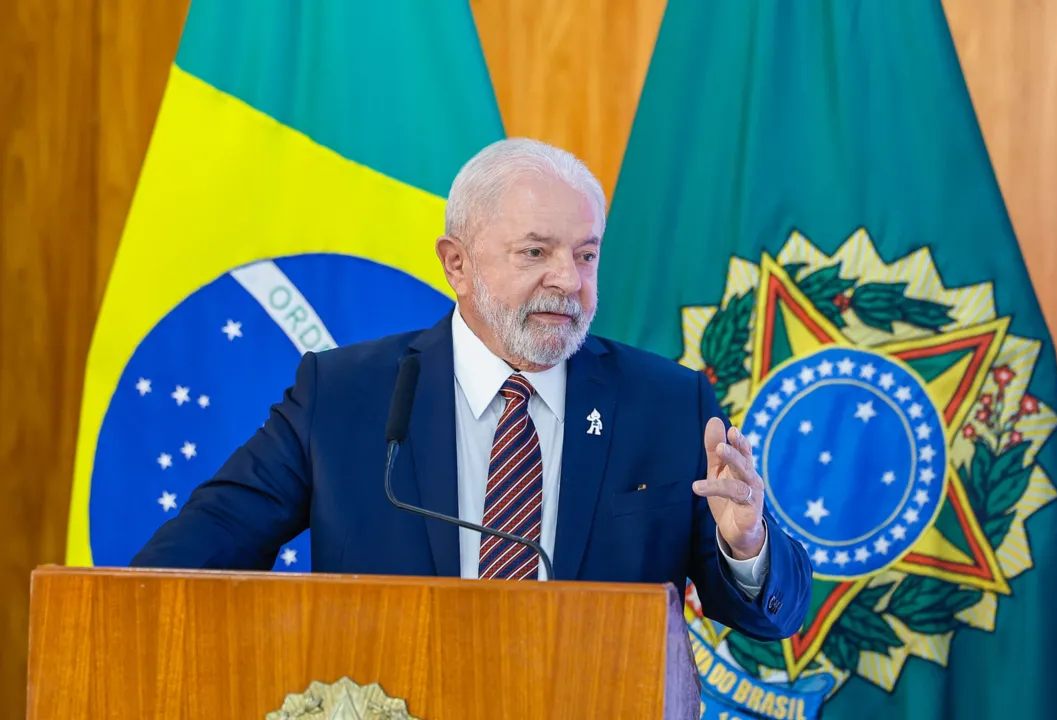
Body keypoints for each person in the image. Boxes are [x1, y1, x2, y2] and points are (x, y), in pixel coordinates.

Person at [131, 137, 812, 640]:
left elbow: (764, 614)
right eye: (536, 252)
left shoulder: (666, 404)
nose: (569, 282)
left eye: (586, 254)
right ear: (457, 263)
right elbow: (195, 555)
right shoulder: (344, 396)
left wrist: (747, 546)